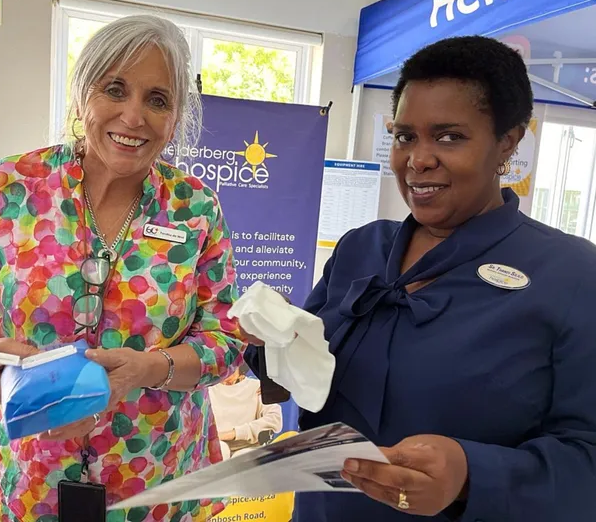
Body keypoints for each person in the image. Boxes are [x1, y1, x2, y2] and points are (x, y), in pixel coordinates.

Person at [241, 36, 596, 521]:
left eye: (449, 137)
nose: (418, 159)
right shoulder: (360, 249)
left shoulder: (572, 275)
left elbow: (586, 459)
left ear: (508, 143)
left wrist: (470, 475)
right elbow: (297, 387)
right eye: (405, 136)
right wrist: (272, 342)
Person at [0, 15, 245, 522]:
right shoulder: (11, 188)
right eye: (115, 89)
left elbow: (225, 338)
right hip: (29, 479)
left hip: (154, 479)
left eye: (157, 100)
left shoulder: (194, 208)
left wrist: (148, 368)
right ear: (81, 96)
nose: (133, 116)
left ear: (175, 117)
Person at [208, 363, 283, 459]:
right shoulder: (207, 390)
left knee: (242, 457)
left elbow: (274, 419)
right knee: (220, 449)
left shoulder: (257, 387)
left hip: (249, 447)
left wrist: (235, 433)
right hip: (217, 445)